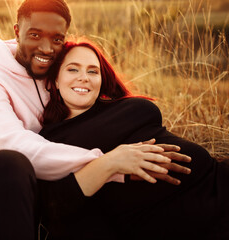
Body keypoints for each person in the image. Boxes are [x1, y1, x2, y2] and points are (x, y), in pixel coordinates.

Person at [0, 0, 191, 239]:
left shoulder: (59, 68)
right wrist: (108, 164)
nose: (46, 48)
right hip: (7, 190)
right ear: (17, 32)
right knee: (10, 162)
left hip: (64, 186)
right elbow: (14, 144)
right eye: (34, 35)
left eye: (56, 39)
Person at [39, 38, 229, 239]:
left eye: (93, 71)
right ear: (56, 80)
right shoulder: (51, 140)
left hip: (219, 180)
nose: (84, 77)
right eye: (73, 69)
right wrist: (111, 161)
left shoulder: (118, 106)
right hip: (193, 221)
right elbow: (53, 204)